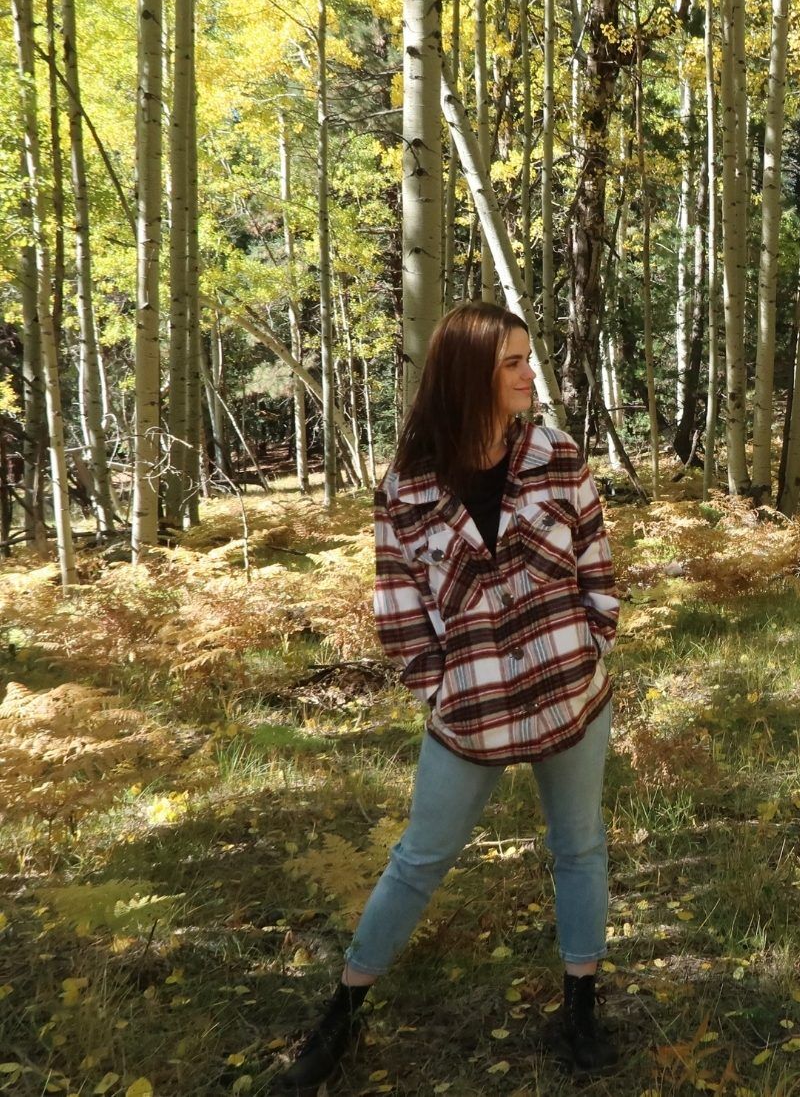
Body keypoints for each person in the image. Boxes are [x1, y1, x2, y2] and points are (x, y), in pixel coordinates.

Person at [278, 302, 622, 1092]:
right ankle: (343, 1015)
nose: (529, 373)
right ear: (471, 374)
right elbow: (399, 614)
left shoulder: (558, 455)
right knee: (418, 859)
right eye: (513, 362)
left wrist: (592, 642)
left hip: (572, 698)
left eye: (528, 359)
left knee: (580, 848)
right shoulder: (407, 488)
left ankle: (580, 1009)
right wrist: (444, 689)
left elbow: (598, 567)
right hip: (470, 716)